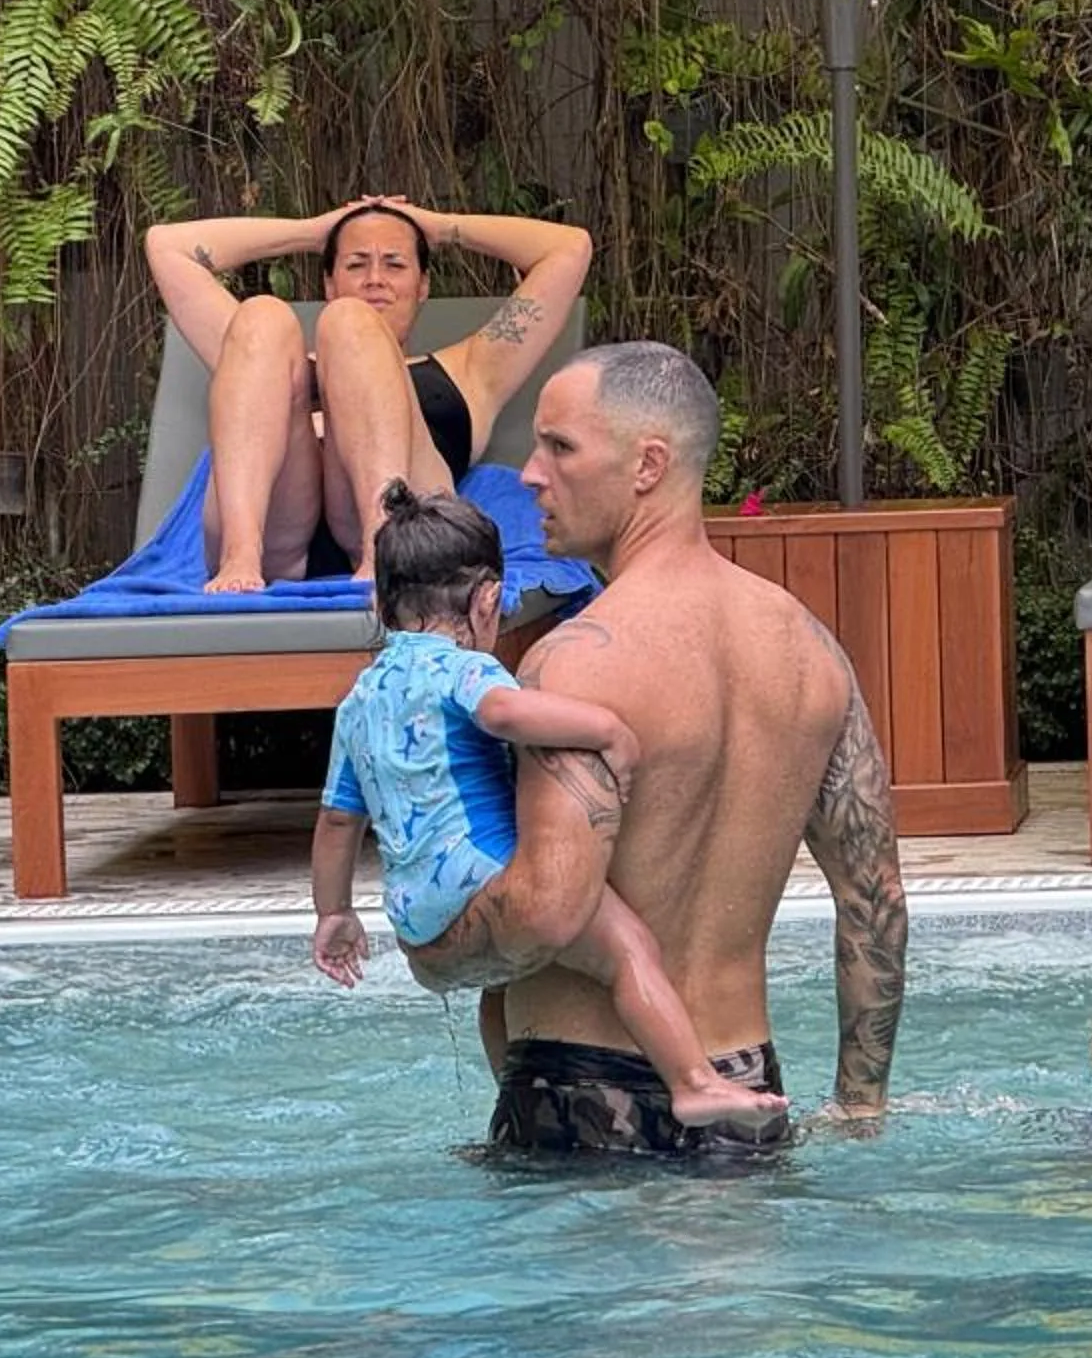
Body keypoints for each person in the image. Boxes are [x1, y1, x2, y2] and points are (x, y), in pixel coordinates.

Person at [481, 340, 908, 1158]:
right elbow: (875, 896)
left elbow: (541, 913)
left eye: (559, 447)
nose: (530, 473)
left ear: (648, 464)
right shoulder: (809, 650)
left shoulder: (574, 661)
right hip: (748, 1088)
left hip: (581, 1094)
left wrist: (434, 945)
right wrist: (861, 1107)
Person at [308, 480, 788, 1136]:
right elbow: (506, 713)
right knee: (628, 951)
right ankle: (695, 1083)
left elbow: (338, 821)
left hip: (420, 928)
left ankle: (516, 1092)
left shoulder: (360, 699)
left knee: (499, 985)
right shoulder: (460, 670)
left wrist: (334, 915)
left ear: (382, 601)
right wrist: (608, 730)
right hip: (488, 884)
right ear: (483, 601)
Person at [142, 193, 590, 590]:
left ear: (423, 287)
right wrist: (314, 231)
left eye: (394, 264)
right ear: (329, 284)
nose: (376, 278)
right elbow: (168, 246)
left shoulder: (472, 368)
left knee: (351, 323)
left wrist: (435, 227)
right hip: (281, 538)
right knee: (260, 316)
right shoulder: (273, 363)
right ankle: (240, 554)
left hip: (409, 526)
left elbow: (568, 249)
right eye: (356, 264)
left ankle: (383, 547)